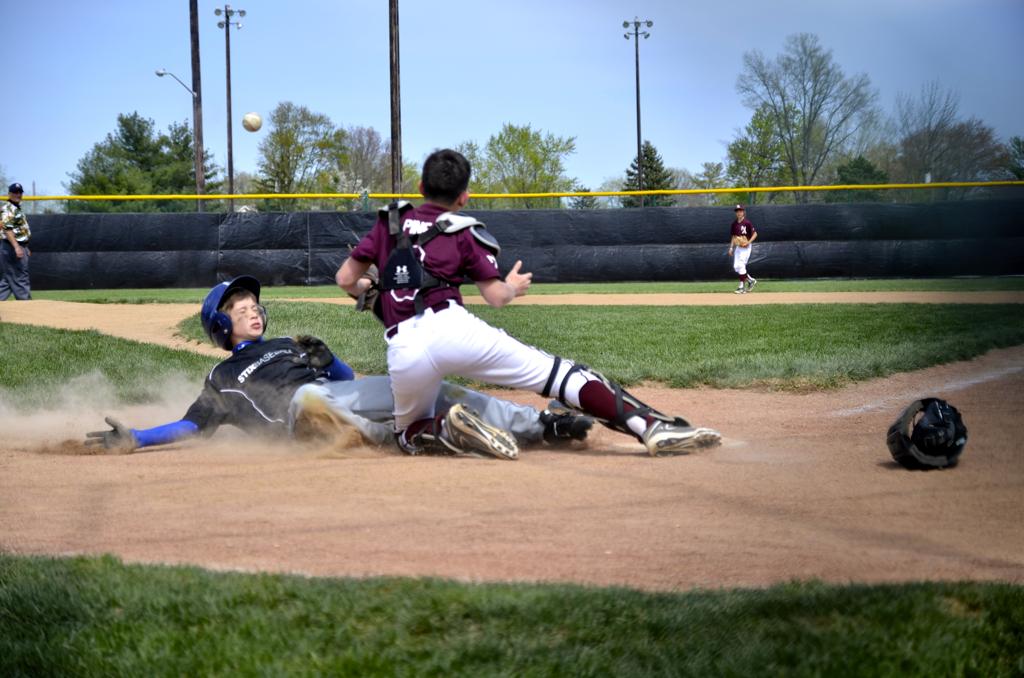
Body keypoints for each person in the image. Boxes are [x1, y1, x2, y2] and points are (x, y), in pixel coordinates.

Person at [335, 148, 721, 458]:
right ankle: (650, 427)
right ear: (464, 195)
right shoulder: (464, 231)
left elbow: (345, 280)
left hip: (403, 345)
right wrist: (513, 286)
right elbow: (495, 297)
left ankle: (445, 427)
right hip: (453, 329)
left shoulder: (390, 223)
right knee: (562, 377)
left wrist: (377, 291)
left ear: (420, 186)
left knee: (408, 433)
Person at [85, 275, 592, 456]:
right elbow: (191, 426)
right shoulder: (220, 379)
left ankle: (542, 425)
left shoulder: (287, 343)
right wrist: (138, 438)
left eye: (254, 305)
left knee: (432, 387)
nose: (252, 310)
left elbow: (349, 385)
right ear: (221, 327)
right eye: (239, 308)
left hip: (333, 404)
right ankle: (419, 435)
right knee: (309, 399)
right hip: (300, 420)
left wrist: (331, 361)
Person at [0, 182, 32, 300]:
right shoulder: (9, 209)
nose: (18, 194)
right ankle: (27, 307)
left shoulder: (15, 208)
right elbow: (7, 229)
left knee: (8, 280)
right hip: (11, 247)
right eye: (15, 192)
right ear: (9, 194)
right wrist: (17, 247)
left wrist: (25, 247)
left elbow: (19, 230)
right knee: (20, 277)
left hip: (16, 246)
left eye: (20, 192)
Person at [727, 204, 758, 294]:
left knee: (741, 265)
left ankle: (741, 287)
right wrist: (731, 248)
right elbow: (733, 237)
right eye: (737, 211)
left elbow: (755, 234)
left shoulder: (747, 223)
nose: (739, 212)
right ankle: (751, 280)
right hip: (738, 247)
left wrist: (748, 242)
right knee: (736, 267)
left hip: (746, 247)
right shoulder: (734, 224)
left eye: (740, 211)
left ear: (743, 212)